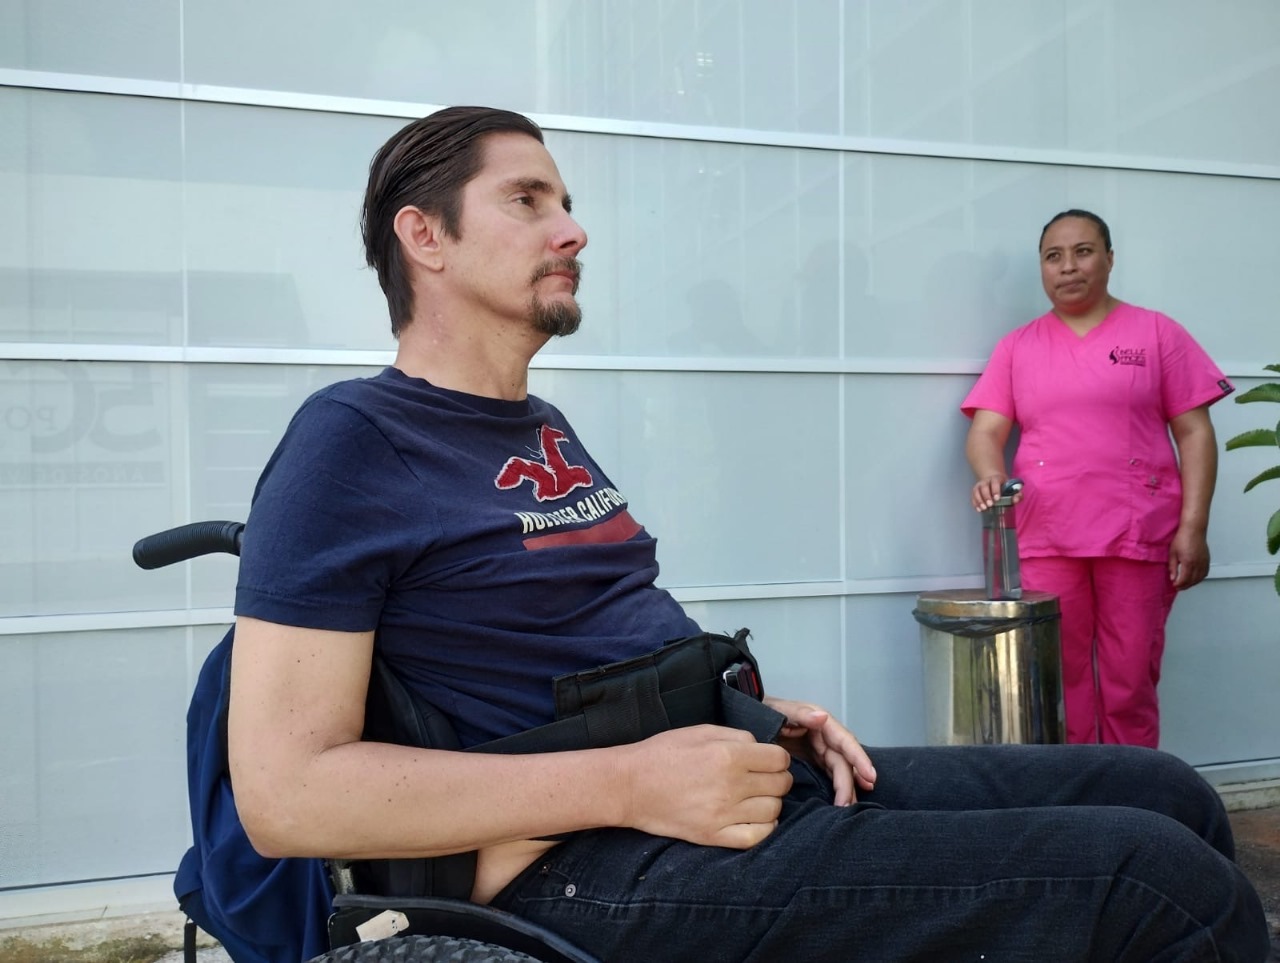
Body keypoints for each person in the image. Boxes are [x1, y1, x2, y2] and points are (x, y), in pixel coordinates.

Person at [225, 110, 1268, 962]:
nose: (573, 231)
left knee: (1165, 793)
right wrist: (628, 780)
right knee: (1156, 887)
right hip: (583, 858)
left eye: (568, 204)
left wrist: (754, 715)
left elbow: (600, 633)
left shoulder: (539, 428)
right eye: (528, 200)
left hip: (720, 778)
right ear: (425, 237)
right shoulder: (352, 441)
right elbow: (286, 795)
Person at [962, 210, 1233, 750]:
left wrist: (1193, 527)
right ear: (1042, 268)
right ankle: (1079, 791)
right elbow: (986, 431)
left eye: (1083, 252)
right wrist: (991, 473)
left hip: (1136, 533)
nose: (1068, 267)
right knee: (1056, 679)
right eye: (1053, 257)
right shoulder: (1018, 347)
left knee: (1130, 678)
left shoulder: (1157, 333)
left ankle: (1134, 790)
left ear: (1109, 259)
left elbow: (1195, 432)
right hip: (1047, 532)